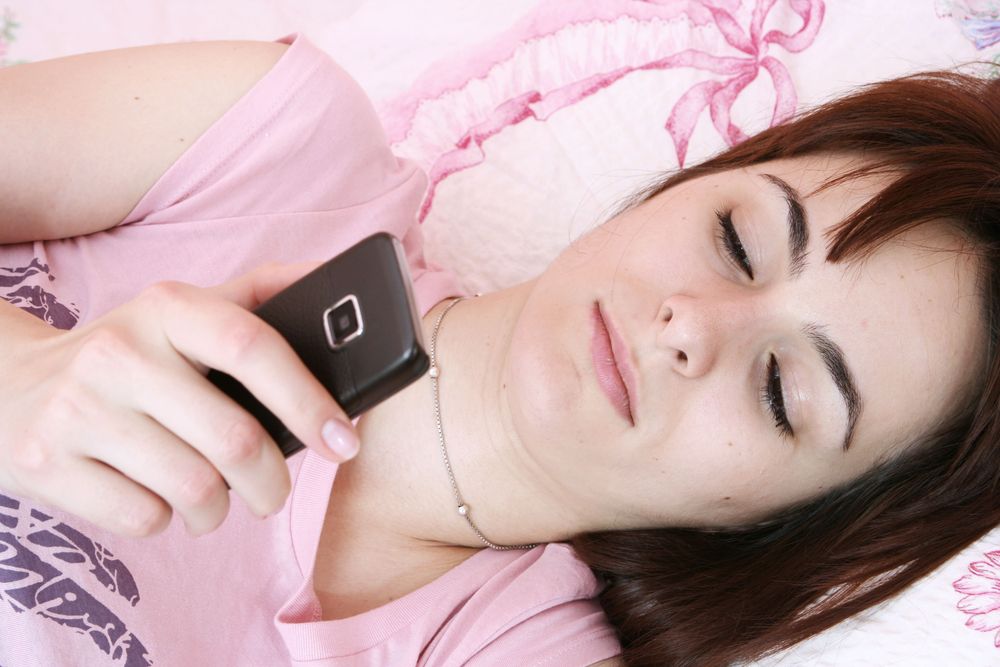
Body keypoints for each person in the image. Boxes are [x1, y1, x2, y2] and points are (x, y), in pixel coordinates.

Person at [0, 31, 997, 667]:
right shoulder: (276, 144)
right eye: (738, 238)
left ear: (792, 522)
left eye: (781, 389)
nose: (690, 325)